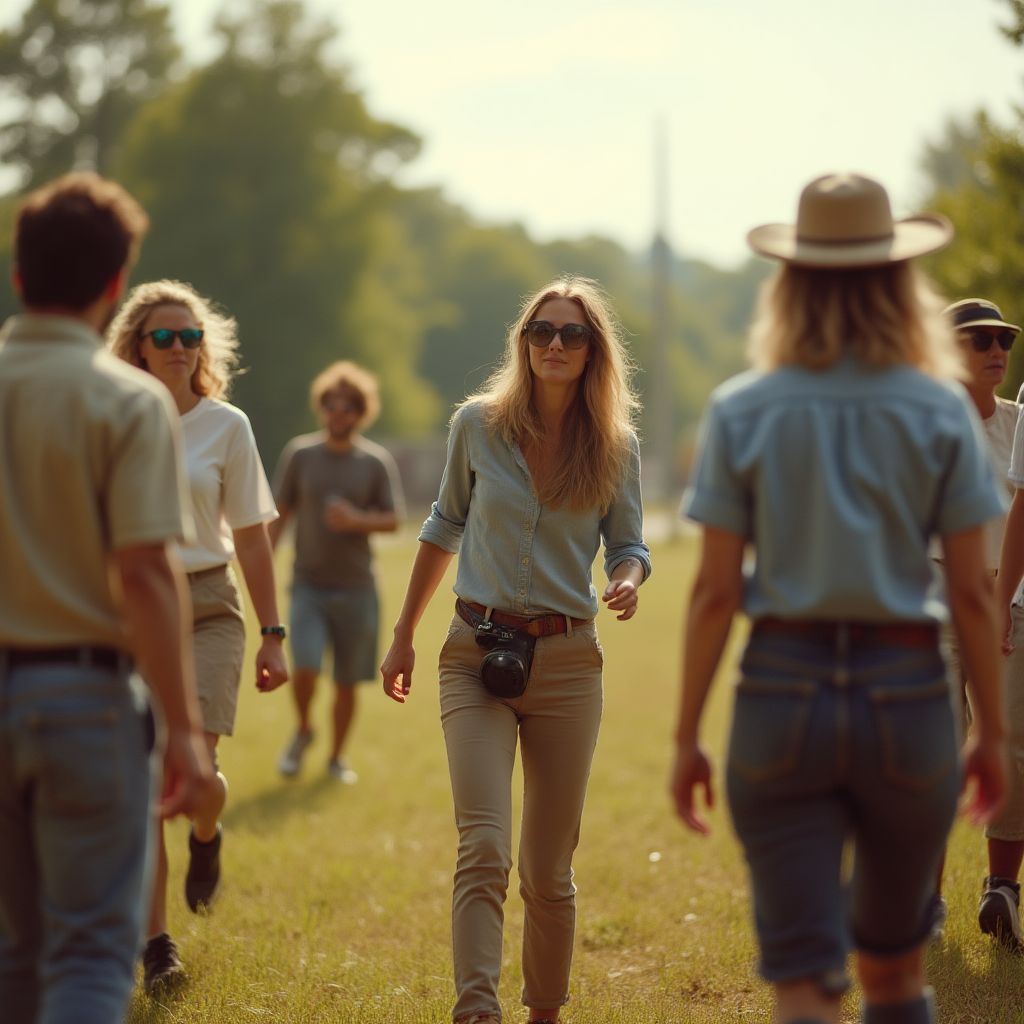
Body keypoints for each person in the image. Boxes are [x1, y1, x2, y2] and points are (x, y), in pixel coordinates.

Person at [671, 174, 1008, 1024]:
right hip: (907, 688)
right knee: (894, 977)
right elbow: (971, 588)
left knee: (807, 983)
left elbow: (715, 592)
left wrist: (685, 737)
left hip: (782, 690)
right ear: (902, 282)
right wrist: (994, 732)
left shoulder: (742, 407)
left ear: (790, 281)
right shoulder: (939, 410)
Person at [381, 276, 650, 1024]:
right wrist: (403, 635)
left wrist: (627, 579)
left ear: (594, 348)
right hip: (475, 654)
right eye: (541, 331)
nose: (554, 344)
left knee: (547, 871)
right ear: (522, 341)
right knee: (485, 847)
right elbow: (443, 525)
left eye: (571, 333)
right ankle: (477, 1011)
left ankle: (544, 1013)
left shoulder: (616, 444)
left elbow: (628, 542)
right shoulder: (477, 424)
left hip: (568, 666)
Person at [0, 173, 211, 1024]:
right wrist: (186, 732)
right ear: (116, 284)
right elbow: (147, 574)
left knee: (13, 955)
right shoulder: (127, 401)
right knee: (91, 952)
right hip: (85, 702)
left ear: (19, 273)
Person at [108, 279, 289, 993]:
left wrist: (273, 633)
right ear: (138, 348)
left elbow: (252, 537)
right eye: (164, 337)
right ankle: (158, 947)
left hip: (212, 604)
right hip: (131, 611)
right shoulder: (114, 419)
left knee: (198, 779)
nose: (180, 348)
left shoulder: (228, 426)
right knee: (150, 780)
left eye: (191, 337)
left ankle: (207, 835)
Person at [933, 299, 1022, 943]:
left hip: (1006, 607)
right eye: (979, 340)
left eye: (1004, 340)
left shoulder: (1020, 422)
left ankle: (1001, 891)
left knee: (1012, 749)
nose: (996, 350)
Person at [270, 361, 404, 783]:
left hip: (358, 588)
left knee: (347, 682)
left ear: (361, 412)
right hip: (308, 584)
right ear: (321, 407)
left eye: (348, 407)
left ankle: (336, 758)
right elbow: (280, 513)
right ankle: (305, 728)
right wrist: (262, 562)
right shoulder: (300, 454)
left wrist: (356, 520)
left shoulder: (374, 462)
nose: (338, 413)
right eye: (331, 405)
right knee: (305, 666)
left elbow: (394, 519)